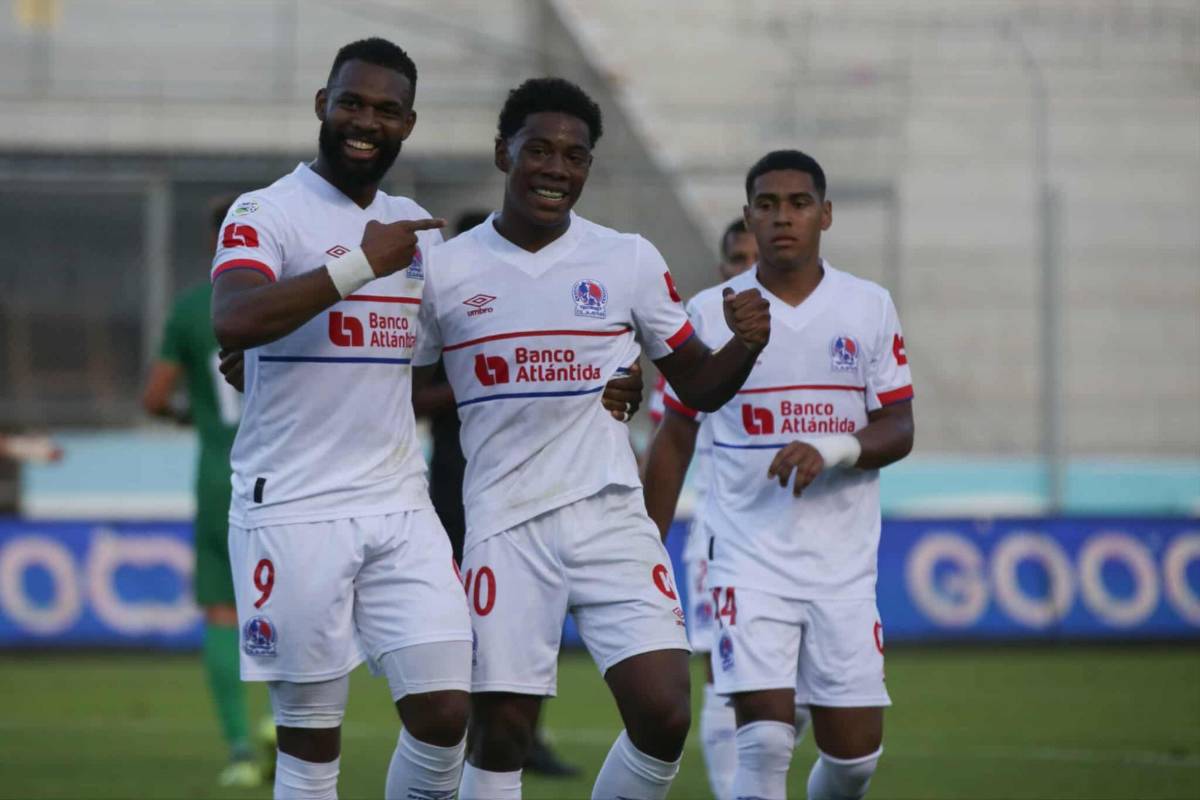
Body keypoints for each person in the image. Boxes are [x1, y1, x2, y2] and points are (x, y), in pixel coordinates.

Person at [411, 77, 771, 800]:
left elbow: (698, 385)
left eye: (574, 156)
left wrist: (746, 345)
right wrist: (495, 382)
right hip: (505, 519)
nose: (556, 169)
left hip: (610, 512)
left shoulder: (626, 259)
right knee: (502, 731)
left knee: (665, 713)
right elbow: (404, 392)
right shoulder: (444, 270)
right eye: (538, 150)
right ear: (503, 153)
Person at [209, 38, 475, 800]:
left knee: (445, 715)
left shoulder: (415, 228)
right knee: (309, 744)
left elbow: (448, 349)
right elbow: (234, 317)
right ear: (323, 105)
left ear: (408, 125)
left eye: (387, 110)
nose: (366, 122)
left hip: (398, 502)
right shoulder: (266, 211)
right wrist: (359, 265)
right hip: (293, 504)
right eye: (352, 103)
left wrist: (606, 373)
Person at [643, 150, 915, 800]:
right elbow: (674, 437)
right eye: (767, 205)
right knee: (764, 744)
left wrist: (834, 447)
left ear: (825, 214)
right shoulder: (710, 312)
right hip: (747, 560)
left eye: (798, 204)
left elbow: (900, 428)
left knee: (854, 763)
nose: (783, 217)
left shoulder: (868, 306)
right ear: (749, 217)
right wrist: (641, 547)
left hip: (843, 569)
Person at [413, 209, 588, 779]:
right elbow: (408, 395)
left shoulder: (523, 307)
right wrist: (478, 382)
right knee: (468, 618)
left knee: (535, 612)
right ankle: (471, 731)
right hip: (458, 482)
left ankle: (522, 735)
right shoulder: (446, 307)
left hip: (530, 481)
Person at [142, 195, 270, 789]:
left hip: (221, 473)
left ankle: (240, 749)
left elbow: (153, 398)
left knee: (222, 609)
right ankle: (282, 719)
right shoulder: (291, 300)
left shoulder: (194, 309)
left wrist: (188, 415)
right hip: (287, 471)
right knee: (297, 599)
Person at [644, 217, 764, 800]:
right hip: (724, 531)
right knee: (723, 671)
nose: (748, 270)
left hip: (813, 539)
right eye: (737, 259)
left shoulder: (829, 312)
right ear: (722, 268)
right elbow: (668, 430)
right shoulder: (703, 319)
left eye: (757, 258)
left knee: (801, 700)